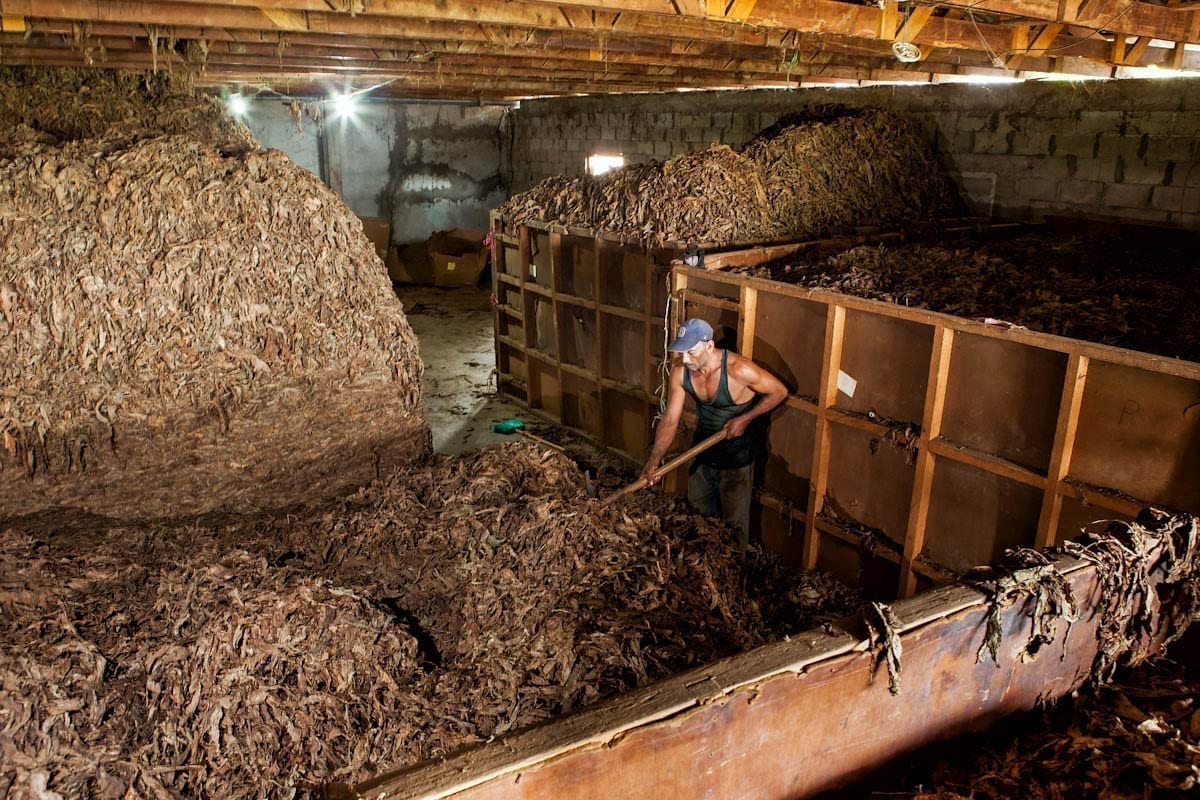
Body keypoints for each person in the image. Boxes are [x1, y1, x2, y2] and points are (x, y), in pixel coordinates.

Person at [640, 318, 788, 549]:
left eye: (691, 352)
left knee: (734, 530)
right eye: (681, 352)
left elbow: (779, 392)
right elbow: (670, 419)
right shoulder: (681, 372)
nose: (685, 359)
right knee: (696, 523)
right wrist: (654, 460)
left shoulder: (739, 369)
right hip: (702, 457)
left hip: (736, 461)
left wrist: (745, 419)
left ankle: (736, 568)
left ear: (709, 345)